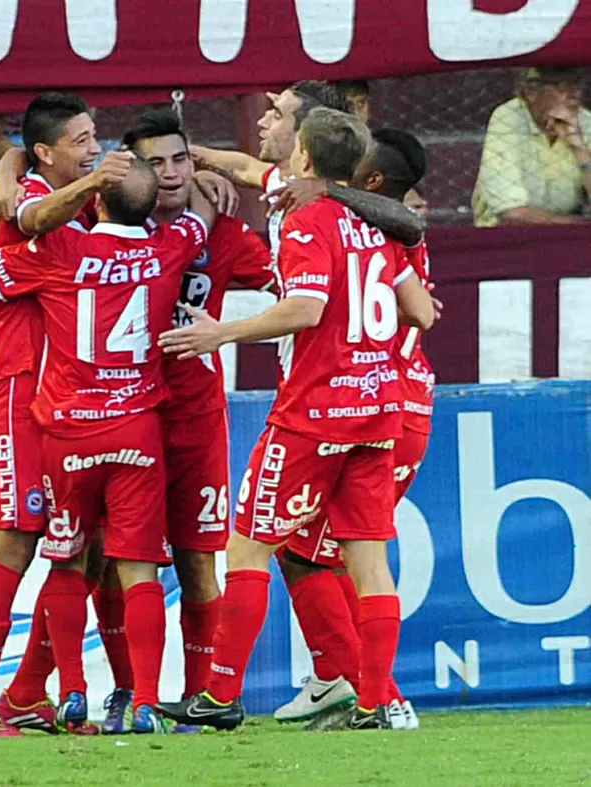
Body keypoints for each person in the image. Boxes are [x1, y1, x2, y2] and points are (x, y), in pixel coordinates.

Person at [157, 108, 434, 731]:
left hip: (313, 413)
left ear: (305, 160)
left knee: (249, 546)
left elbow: (305, 309)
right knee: (367, 562)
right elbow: (420, 310)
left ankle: (221, 697)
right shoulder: (376, 224)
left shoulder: (309, 221)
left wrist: (220, 334)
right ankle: (373, 706)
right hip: (378, 409)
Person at [0, 157, 216, 734]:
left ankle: (73, 691)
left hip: (69, 432)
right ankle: (148, 702)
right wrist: (205, 182)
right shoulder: (168, 250)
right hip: (137, 428)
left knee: (69, 559)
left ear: (97, 204)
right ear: (150, 209)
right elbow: (199, 221)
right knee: (138, 571)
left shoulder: (62, 250)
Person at [0, 92, 134, 738]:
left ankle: (27, 693)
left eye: (95, 135)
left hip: (66, 401)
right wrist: (17, 168)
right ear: (49, 154)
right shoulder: (37, 208)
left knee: (82, 546)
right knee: (17, 537)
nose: (94, 148)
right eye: (81, 140)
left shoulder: (74, 212)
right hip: (13, 390)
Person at [91, 108, 277, 734]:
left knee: (201, 561)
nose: (170, 175)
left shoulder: (221, 232)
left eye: (180, 160)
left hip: (196, 417)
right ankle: (126, 689)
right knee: (116, 561)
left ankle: (199, 699)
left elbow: (295, 280)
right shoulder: (102, 226)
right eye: (156, 163)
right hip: (122, 414)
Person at [274, 129, 433, 732]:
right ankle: (347, 685)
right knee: (325, 553)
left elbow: (413, 311)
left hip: (365, 403)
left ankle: (378, 697)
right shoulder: (391, 225)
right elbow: (422, 311)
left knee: (315, 555)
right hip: (393, 402)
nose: (278, 133)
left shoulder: (362, 224)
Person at [189, 80, 424, 263]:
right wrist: (178, 154)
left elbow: (409, 221)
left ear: (305, 131)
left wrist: (327, 189)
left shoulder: (344, 188)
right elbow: (243, 167)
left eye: (278, 115)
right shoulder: (283, 178)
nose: (263, 122)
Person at [473, 67, 591, 227]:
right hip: (506, 235)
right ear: (532, 91)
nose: (574, 94)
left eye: (577, 84)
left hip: (567, 233)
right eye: (563, 86)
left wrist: (578, 146)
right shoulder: (508, 117)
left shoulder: (584, 120)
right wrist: (579, 226)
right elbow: (511, 213)